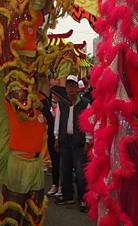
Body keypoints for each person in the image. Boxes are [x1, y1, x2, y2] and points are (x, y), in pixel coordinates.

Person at [54, 75, 90, 212]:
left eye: (73, 86)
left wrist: (88, 140)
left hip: (79, 142)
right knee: (65, 170)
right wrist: (56, 137)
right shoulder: (61, 103)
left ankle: (83, 199)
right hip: (64, 141)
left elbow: (89, 123)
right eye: (68, 87)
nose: (70, 89)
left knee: (81, 173)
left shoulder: (86, 104)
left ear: (77, 88)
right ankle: (67, 195)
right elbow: (58, 120)